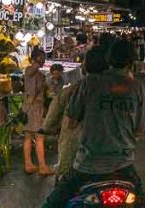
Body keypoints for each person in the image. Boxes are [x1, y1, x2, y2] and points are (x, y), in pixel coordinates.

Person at [43, 39, 145, 208]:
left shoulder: (88, 83)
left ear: (109, 60)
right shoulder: (138, 87)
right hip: (123, 166)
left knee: (51, 204)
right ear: (131, 62)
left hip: (86, 165)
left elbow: (71, 123)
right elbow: (139, 130)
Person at [42, 47, 109, 178]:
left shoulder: (72, 90)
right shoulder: (118, 90)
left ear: (85, 66)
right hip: (110, 152)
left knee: (60, 190)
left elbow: (50, 121)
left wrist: (47, 128)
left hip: (75, 149)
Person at [24, 46, 55, 175]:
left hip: (28, 106)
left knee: (28, 136)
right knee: (40, 136)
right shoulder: (32, 71)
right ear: (36, 58)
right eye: (42, 57)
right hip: (35, 107)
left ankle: (29, 164)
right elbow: (34, 88)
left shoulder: (32, 72)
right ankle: (42, 166)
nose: (44, 59)